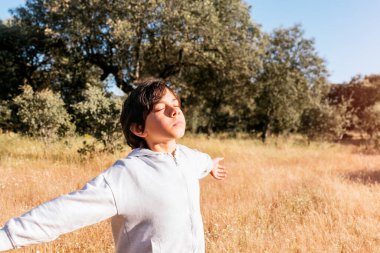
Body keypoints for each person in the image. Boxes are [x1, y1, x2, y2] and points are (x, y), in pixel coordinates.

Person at [0, 78, 227, 252]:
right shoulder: (129, 175)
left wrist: (211, 166)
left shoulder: (187, 157)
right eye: (159, 109)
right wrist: (6, 237)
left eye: (175, 104)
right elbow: (66, 211)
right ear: (139, 129)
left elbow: (201, 162)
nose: (174, 110)